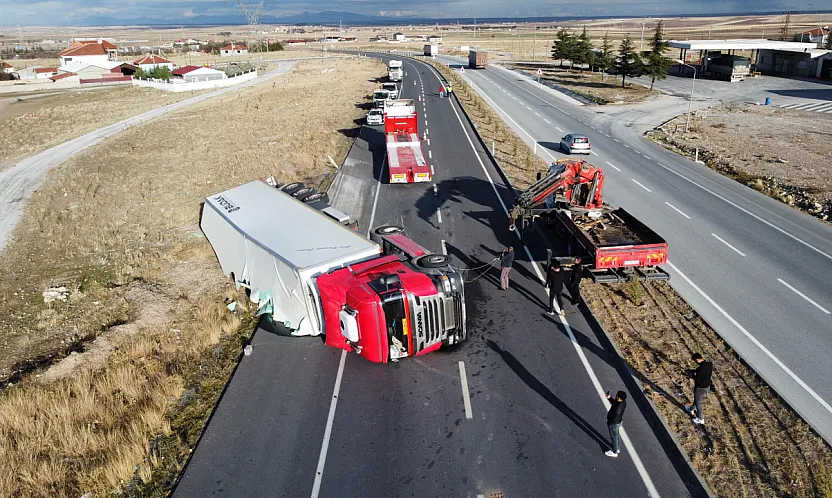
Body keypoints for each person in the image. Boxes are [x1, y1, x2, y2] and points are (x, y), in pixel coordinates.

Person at [685, 353, 713, 425]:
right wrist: (693, 371)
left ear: (697, 360)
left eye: (695, 361)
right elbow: (702, 371)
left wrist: (692, 375)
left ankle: (700, 419)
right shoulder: (709, 364)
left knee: (698, 403)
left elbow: (697, 380)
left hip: (700, 388)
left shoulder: (700, 369)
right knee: (697, 399)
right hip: (707, 386)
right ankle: (691, 409)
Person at [605, 390, 627, 457]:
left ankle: (614, 452)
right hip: (618, 422)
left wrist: (610, 422)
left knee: (614, 437)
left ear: (619, 398)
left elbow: (615, 416)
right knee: (616, 435)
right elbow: (614, 402)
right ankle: (617, 448)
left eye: (617, 395)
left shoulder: (618, 408)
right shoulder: (623, 402)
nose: (616, 396)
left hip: (613, 424)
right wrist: (609, 398)